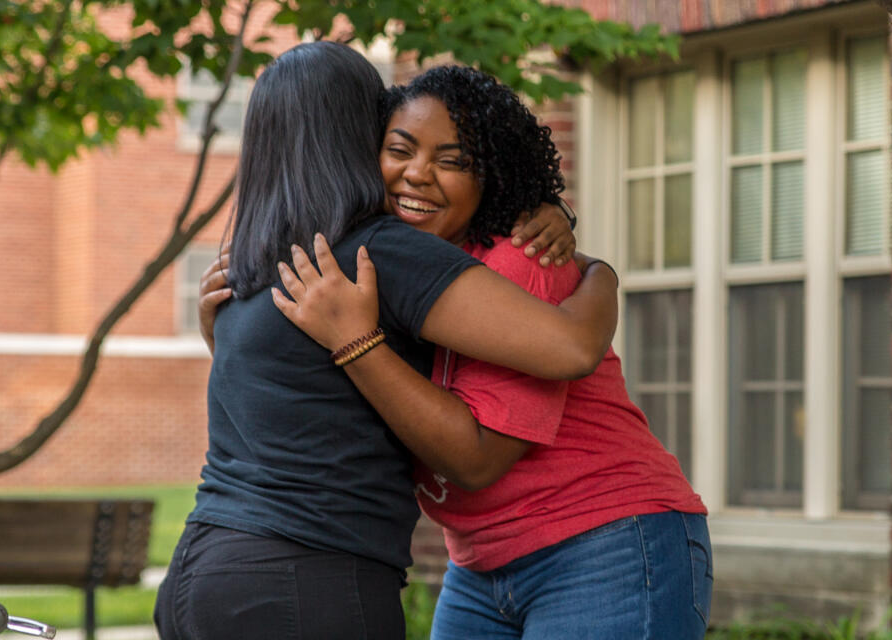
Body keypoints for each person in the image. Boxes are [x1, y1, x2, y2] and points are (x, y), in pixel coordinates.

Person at [153, 42, 621, 640]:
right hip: (305, 578)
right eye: (394, 140)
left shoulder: (259, 263)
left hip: (202, 571)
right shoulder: (379, 253)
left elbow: (293, 399)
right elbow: (573, 349)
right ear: (363, 133)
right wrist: (600, 272)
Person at [258, 64, 711, 638]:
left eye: (453, 161)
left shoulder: (519, 258)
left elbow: (477, 461)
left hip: (606, 537)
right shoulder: (378, 265)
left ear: (489, 178)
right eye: (399, 149)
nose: (417, 174)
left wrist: (356, 343)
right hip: (479, 562)